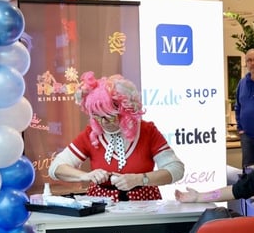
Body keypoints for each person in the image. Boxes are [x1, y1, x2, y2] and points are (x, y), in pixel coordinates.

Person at [48, 73, 184, 200]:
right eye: (97, 116)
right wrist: (85, 176)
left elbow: (176, 169)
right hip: (102, 209)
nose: (103, 122)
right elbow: (56, 168)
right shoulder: (92, 133)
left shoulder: (147, 131)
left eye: (110, 116)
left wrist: (140, 179)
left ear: (126, 112)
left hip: (144, 207)